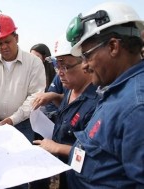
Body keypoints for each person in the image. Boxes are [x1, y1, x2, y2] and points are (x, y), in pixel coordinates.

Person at [64, 2, 144, 188]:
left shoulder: (137, 108)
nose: (84, 65)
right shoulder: (116, 91)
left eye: (87, 56)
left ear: (113, 46)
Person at [0, 13, 45, 189]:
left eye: (7, 41)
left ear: (16, 37)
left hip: (22, 125)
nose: (4, 47)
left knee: (18, 173)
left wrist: (13, 119)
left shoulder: (34, 64)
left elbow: (34, 97)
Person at [31, 34, 99, 189]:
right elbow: (71, 109)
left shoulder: (97, 102)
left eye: (65, 67)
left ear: (85, 63)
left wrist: (57, 148)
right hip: (66, 171)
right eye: (57, 66)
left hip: (82, 179)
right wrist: (55, 97)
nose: (60, 73)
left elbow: (92, 156)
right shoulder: (71, 90)